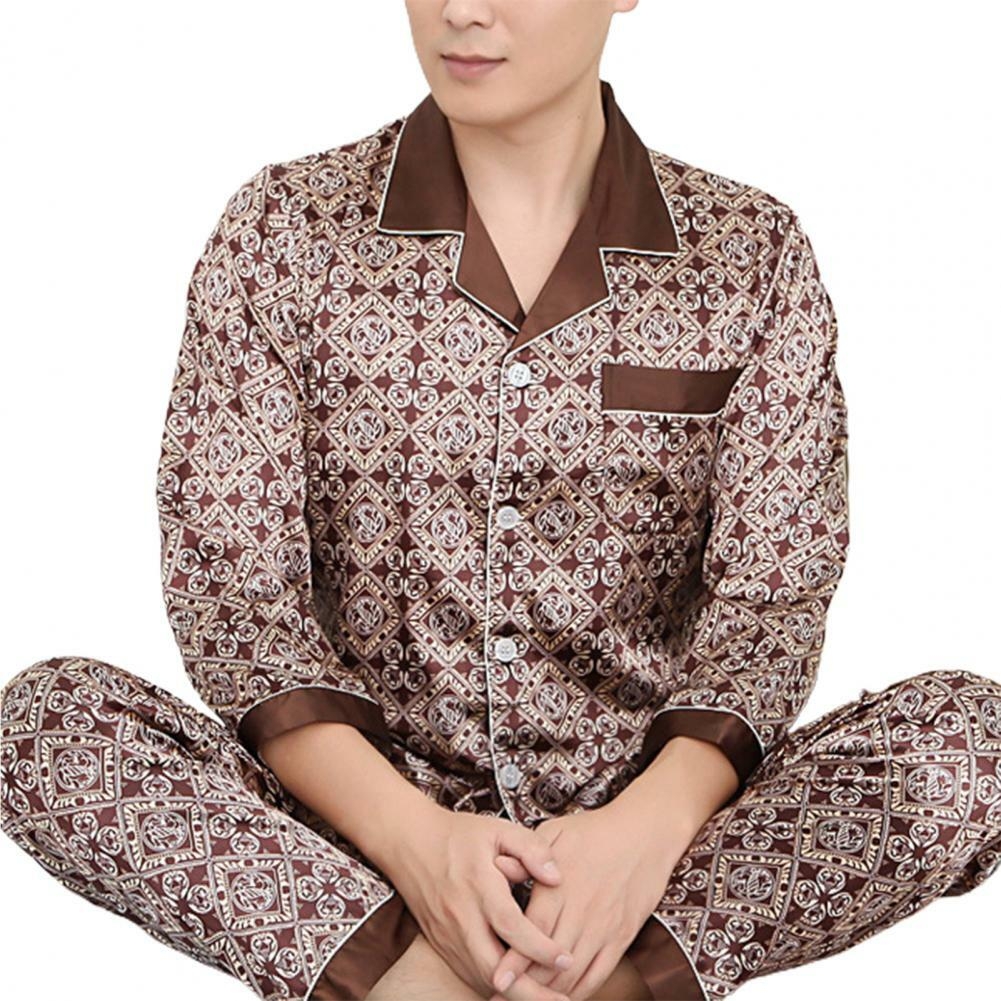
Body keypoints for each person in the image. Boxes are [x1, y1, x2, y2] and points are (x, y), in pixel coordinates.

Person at [2, 2, 999, 1000]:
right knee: (47, 727)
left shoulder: (747, 254)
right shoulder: (285, 231)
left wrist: (641, 833)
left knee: (969, 743)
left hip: (651, 840)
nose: (461, 8)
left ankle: (576, 965)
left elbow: (769, 603)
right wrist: (419, 848)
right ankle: (453, 967)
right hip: (357, 836)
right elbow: (236, 597)